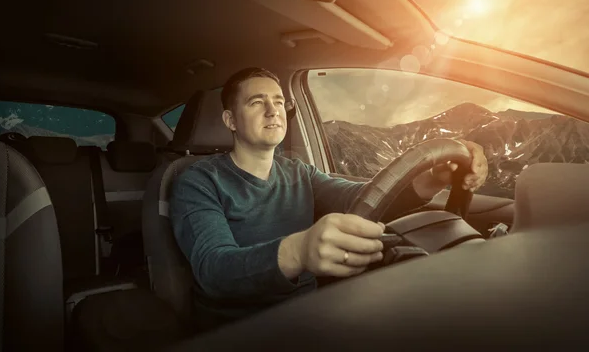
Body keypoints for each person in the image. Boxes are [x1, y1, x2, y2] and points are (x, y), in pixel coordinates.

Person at [169, 67, 488, 333]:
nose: (273, 110)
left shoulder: (298, 173)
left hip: (311, 314)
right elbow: (214, 269)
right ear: (230, 121)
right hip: (241, 330)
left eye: (279, 101)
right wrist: (298, 251)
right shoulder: (197, 181)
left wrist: (432, 178)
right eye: (256, 102)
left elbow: (363, 198)